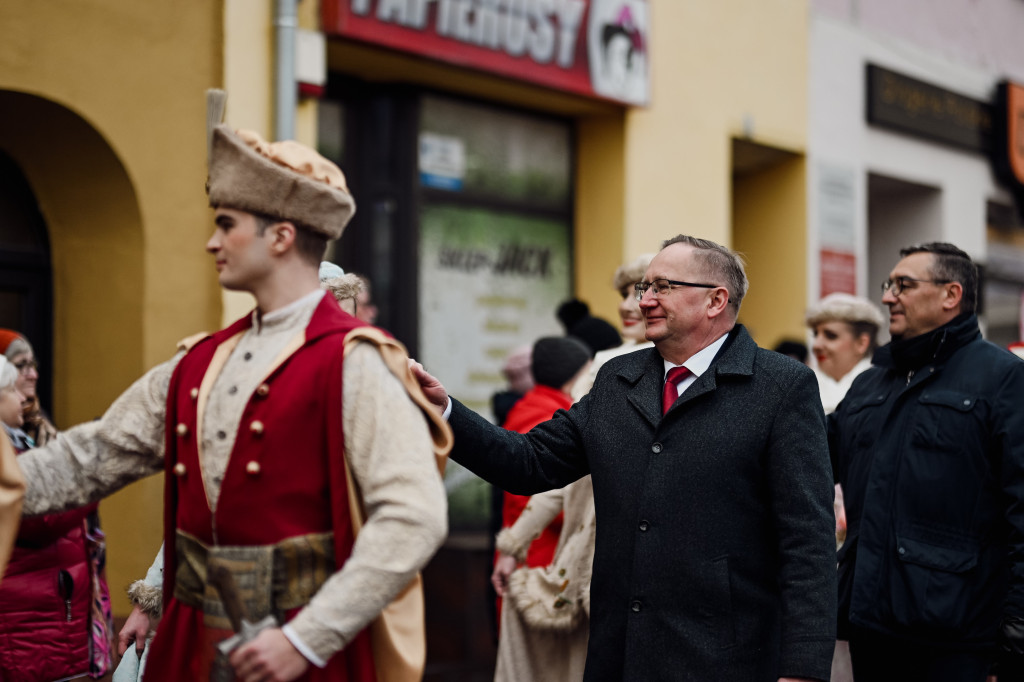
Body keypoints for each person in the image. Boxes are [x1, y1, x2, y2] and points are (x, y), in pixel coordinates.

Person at [13, 121, 450, 682]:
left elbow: (412, 517)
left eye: (226, 225)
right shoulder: (199, 363)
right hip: (188, 646)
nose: (211, 242)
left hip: (299, 655)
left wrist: (305, 639)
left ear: (281, 236)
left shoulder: (357, 362)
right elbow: (91, 457)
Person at [413, 235, 837, 681]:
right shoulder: (618, 379)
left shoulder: (782, 387)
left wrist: (803, 668)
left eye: (662, 286)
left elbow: (807, 538)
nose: (645, 300)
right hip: (621, 655)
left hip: (726, 658)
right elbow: (530, 461)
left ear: (715, 300)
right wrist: (446, 411)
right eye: (643, 288)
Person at [828, 242, 1024, 682]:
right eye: (888, 284)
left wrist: (1015, 636)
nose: (887, 297)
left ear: (950, 295)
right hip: (872, 628)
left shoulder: (1004, 379)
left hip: (958, 640)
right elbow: (811, 458)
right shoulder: (869, 384)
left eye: (904, 285)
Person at [490, 253, 654, 682]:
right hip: (589, 557)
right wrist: (514, 547)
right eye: (623, 292)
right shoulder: (599, 370)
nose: (626, 304)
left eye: (641, 291)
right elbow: (561, 474)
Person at [0, 354, 109, 681]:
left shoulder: (18, 442)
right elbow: (39, 518)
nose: (23, 396)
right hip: (29, 629)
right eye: (11, 390)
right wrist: (96, 475)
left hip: (46, 620)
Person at [494, 337, 592, 600]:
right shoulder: (552, 419)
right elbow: (544, 490)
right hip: (541, 556)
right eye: (589, 372)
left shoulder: (528, 406)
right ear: (574, 377)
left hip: (525, 550)